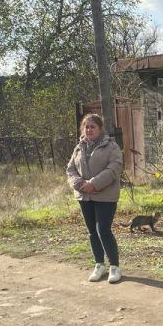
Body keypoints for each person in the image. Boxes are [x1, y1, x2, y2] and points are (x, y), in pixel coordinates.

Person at [66, 113, 123, 284]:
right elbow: (70, 169)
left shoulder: (111, 146)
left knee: (103, 230)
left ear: (100, 129)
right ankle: (99, 264)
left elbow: (114, 168)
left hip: (105, 196)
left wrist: (94, 184)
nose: (89, 130)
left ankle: (114, 266)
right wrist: (79, 184)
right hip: (84, 196)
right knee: (92, 232)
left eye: (93, 127)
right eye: (86, 127)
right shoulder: (79, 147)